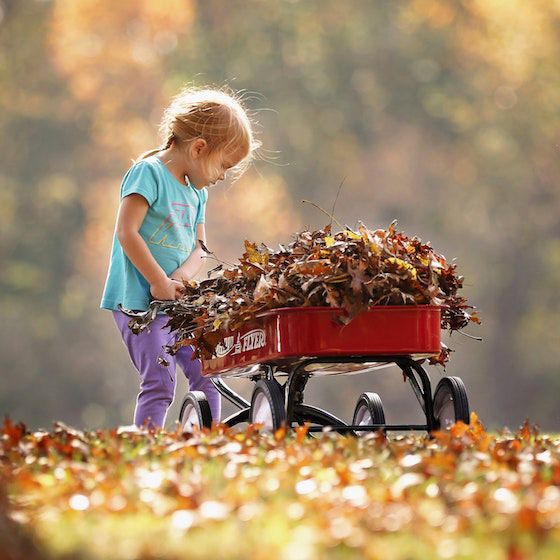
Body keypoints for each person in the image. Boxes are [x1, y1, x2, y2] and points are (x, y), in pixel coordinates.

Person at [101, 87, 259, 428]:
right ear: (200, 148)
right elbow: (127, 232)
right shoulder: (148, 173)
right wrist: (158, 281)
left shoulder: (197, 193)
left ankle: (207, 441)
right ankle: (149, 447)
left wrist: (181, 281)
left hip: (176, 304)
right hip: (138, 304)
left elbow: (200, 248)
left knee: (208, 371)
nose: (222, 177)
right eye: (224, 166)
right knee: (160, 381)